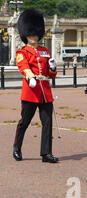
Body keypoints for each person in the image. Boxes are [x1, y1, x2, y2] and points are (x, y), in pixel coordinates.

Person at [13, 9, 59, 163]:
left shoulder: (45, 51)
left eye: (35, 33)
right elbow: (23, 66)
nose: (34, 36)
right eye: (31, 33)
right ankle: (17, 148)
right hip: (30, 91)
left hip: (45, 92)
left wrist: (52, 67)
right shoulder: (22, 51)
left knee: (47, 123)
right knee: (24, 122)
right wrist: (30, 76)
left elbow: (51, 75)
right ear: (25, 34)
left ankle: (46, 153)